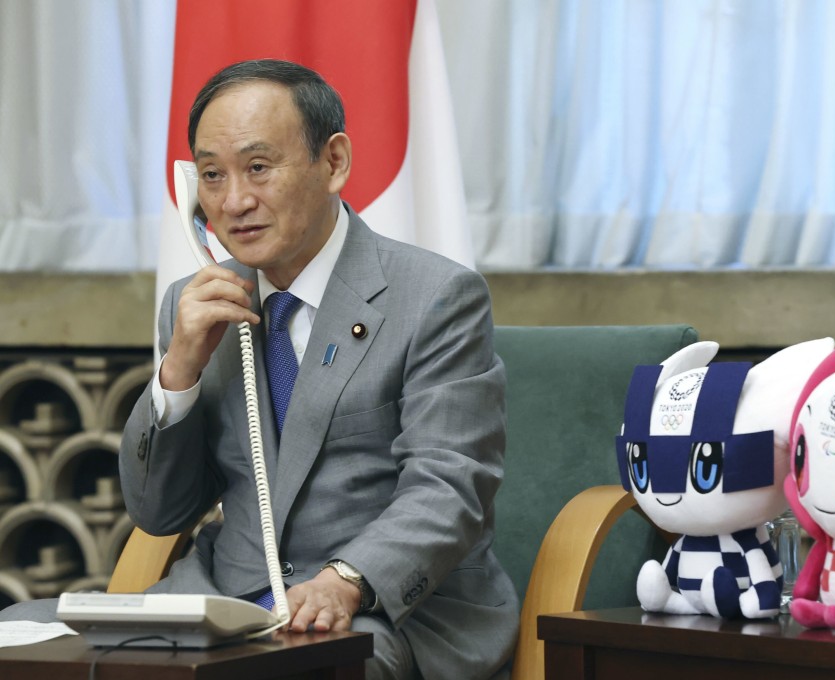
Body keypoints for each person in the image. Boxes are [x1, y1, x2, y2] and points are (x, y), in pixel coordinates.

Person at [1, 59, 519, 680]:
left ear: (333, 162)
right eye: (212, 176)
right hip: (222, 599)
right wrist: (179, 372)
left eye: (258, 168)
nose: (234, 202)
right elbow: (157, 514)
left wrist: (345, 580)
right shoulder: (195, 305)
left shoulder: (435, 296)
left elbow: (449, 485)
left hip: (382, 612)